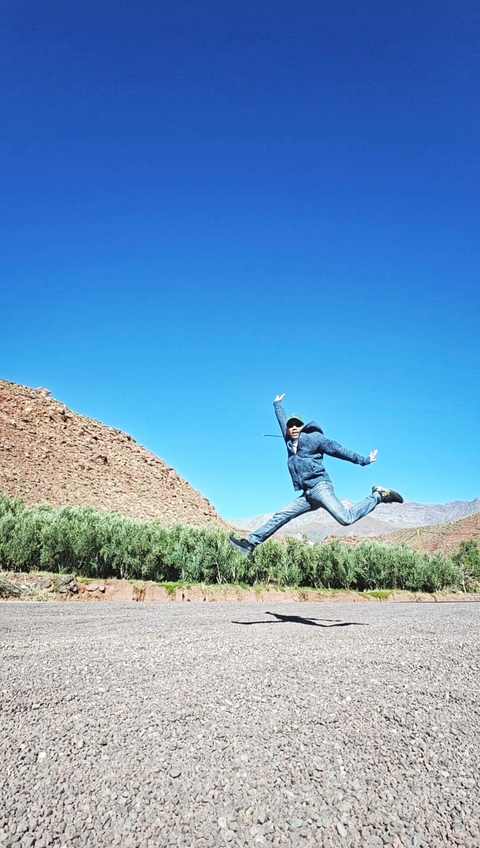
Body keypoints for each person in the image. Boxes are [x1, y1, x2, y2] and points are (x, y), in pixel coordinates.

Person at [229, 393, 403, 556]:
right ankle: (250, 543)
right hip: (307, 495)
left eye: (297, 425)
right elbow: (282, 421)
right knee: (281, 515)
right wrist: (277, 404)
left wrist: (363, 460)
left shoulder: (313, 439)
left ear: (302, 427)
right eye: (291, 426)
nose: (294, 428)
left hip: (321, 487)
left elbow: (338, 449)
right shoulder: (288, 441)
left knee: (346, 519)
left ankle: (378, 496)